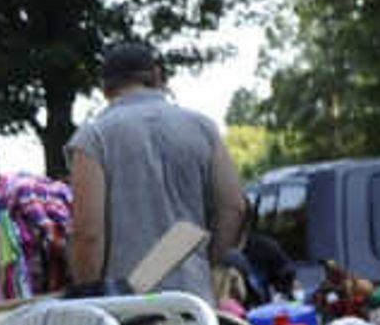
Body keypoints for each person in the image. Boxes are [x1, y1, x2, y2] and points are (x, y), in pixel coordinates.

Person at [65, 40, 246, 300]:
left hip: (128, 308)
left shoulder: (93, 137)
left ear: (105, 87)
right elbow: (234, 207)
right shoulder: (203, 128)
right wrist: (205, 261)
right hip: (195, 302)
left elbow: (88, 233)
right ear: (157, 77)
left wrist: (89, 293)